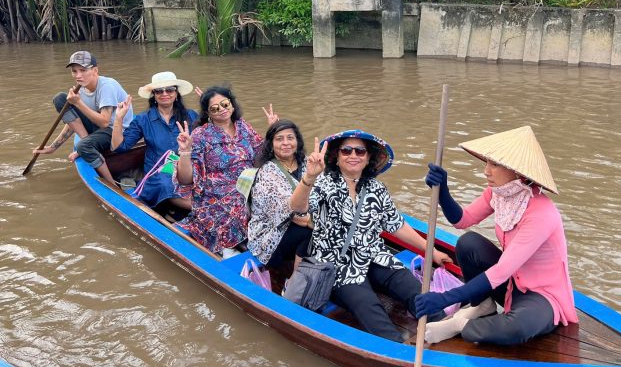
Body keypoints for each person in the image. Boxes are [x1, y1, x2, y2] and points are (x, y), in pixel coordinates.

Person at [414, 125, 578, 345]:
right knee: (468, 243)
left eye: (495, 164)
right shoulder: (498, 193)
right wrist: (443, 190)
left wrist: (446, 298)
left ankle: (460, 324)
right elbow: (462, 220)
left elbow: (501, 271)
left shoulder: (542, 213)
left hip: (541, 296)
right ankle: (482, 304)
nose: (486, 171)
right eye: (487, 162)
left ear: (517, 171)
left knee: (514, 330)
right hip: (511, 284)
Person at [290, 130, 451, 342]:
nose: (353, 155)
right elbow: (297, 208)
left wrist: (432, 251)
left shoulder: (376, 188)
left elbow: (396, 225)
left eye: (360, 151)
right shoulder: (323, 184)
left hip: (375, 256)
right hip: (337, 265)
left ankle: (445, 329)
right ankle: (397, 350)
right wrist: (309, 177)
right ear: (336, 158)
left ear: (368, 158)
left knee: (414, 289)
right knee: (369, 306)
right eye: (346, 150)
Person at [175, 87, 277, 255]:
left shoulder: (243, 126)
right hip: (217, 192)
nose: (221, 110)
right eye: (215, 108)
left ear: (232, 104)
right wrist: (185, 151)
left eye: (224, 104)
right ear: (208, 113)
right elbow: (187, 179)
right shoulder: (201, 135)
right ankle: (228, 244)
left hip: (249, 182)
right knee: (240, 206)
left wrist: (273, 132)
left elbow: (261, 154)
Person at [32, 50, 132, 185]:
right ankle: (86, 143)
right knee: (60, 99)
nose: (78, 76)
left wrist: (78, 102)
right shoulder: (80, 89)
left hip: (117, 130)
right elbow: (73, 121)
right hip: (99, 127)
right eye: (74, 71)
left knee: (83, 145)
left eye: (83, 70)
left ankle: (111, 183)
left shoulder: (107, 86)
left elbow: (104, 122)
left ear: (95, 70)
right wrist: (53, 147)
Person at [110, 71, 199, 216]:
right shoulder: (143, 119)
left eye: (170, 89)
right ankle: (202, 209)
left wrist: (210, 110)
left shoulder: (191, 116)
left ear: (176, 94)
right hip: (159, 172)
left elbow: (211, 137)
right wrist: (119, 118)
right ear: (154, 95)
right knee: (167, 183)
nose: (165, 93)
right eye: (159, 91)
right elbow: (119, 147)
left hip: (187, 167)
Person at [247, 120, 313, 268]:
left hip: (302, 221)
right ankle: (295, 283)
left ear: (297, 141)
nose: (286, 143)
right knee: (310, 233)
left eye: (290, 138)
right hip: (270, 237)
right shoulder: (267, 173)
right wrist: (325, 224)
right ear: (271, 144)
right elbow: (295, 216)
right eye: (279, 139)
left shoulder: (307, 163)